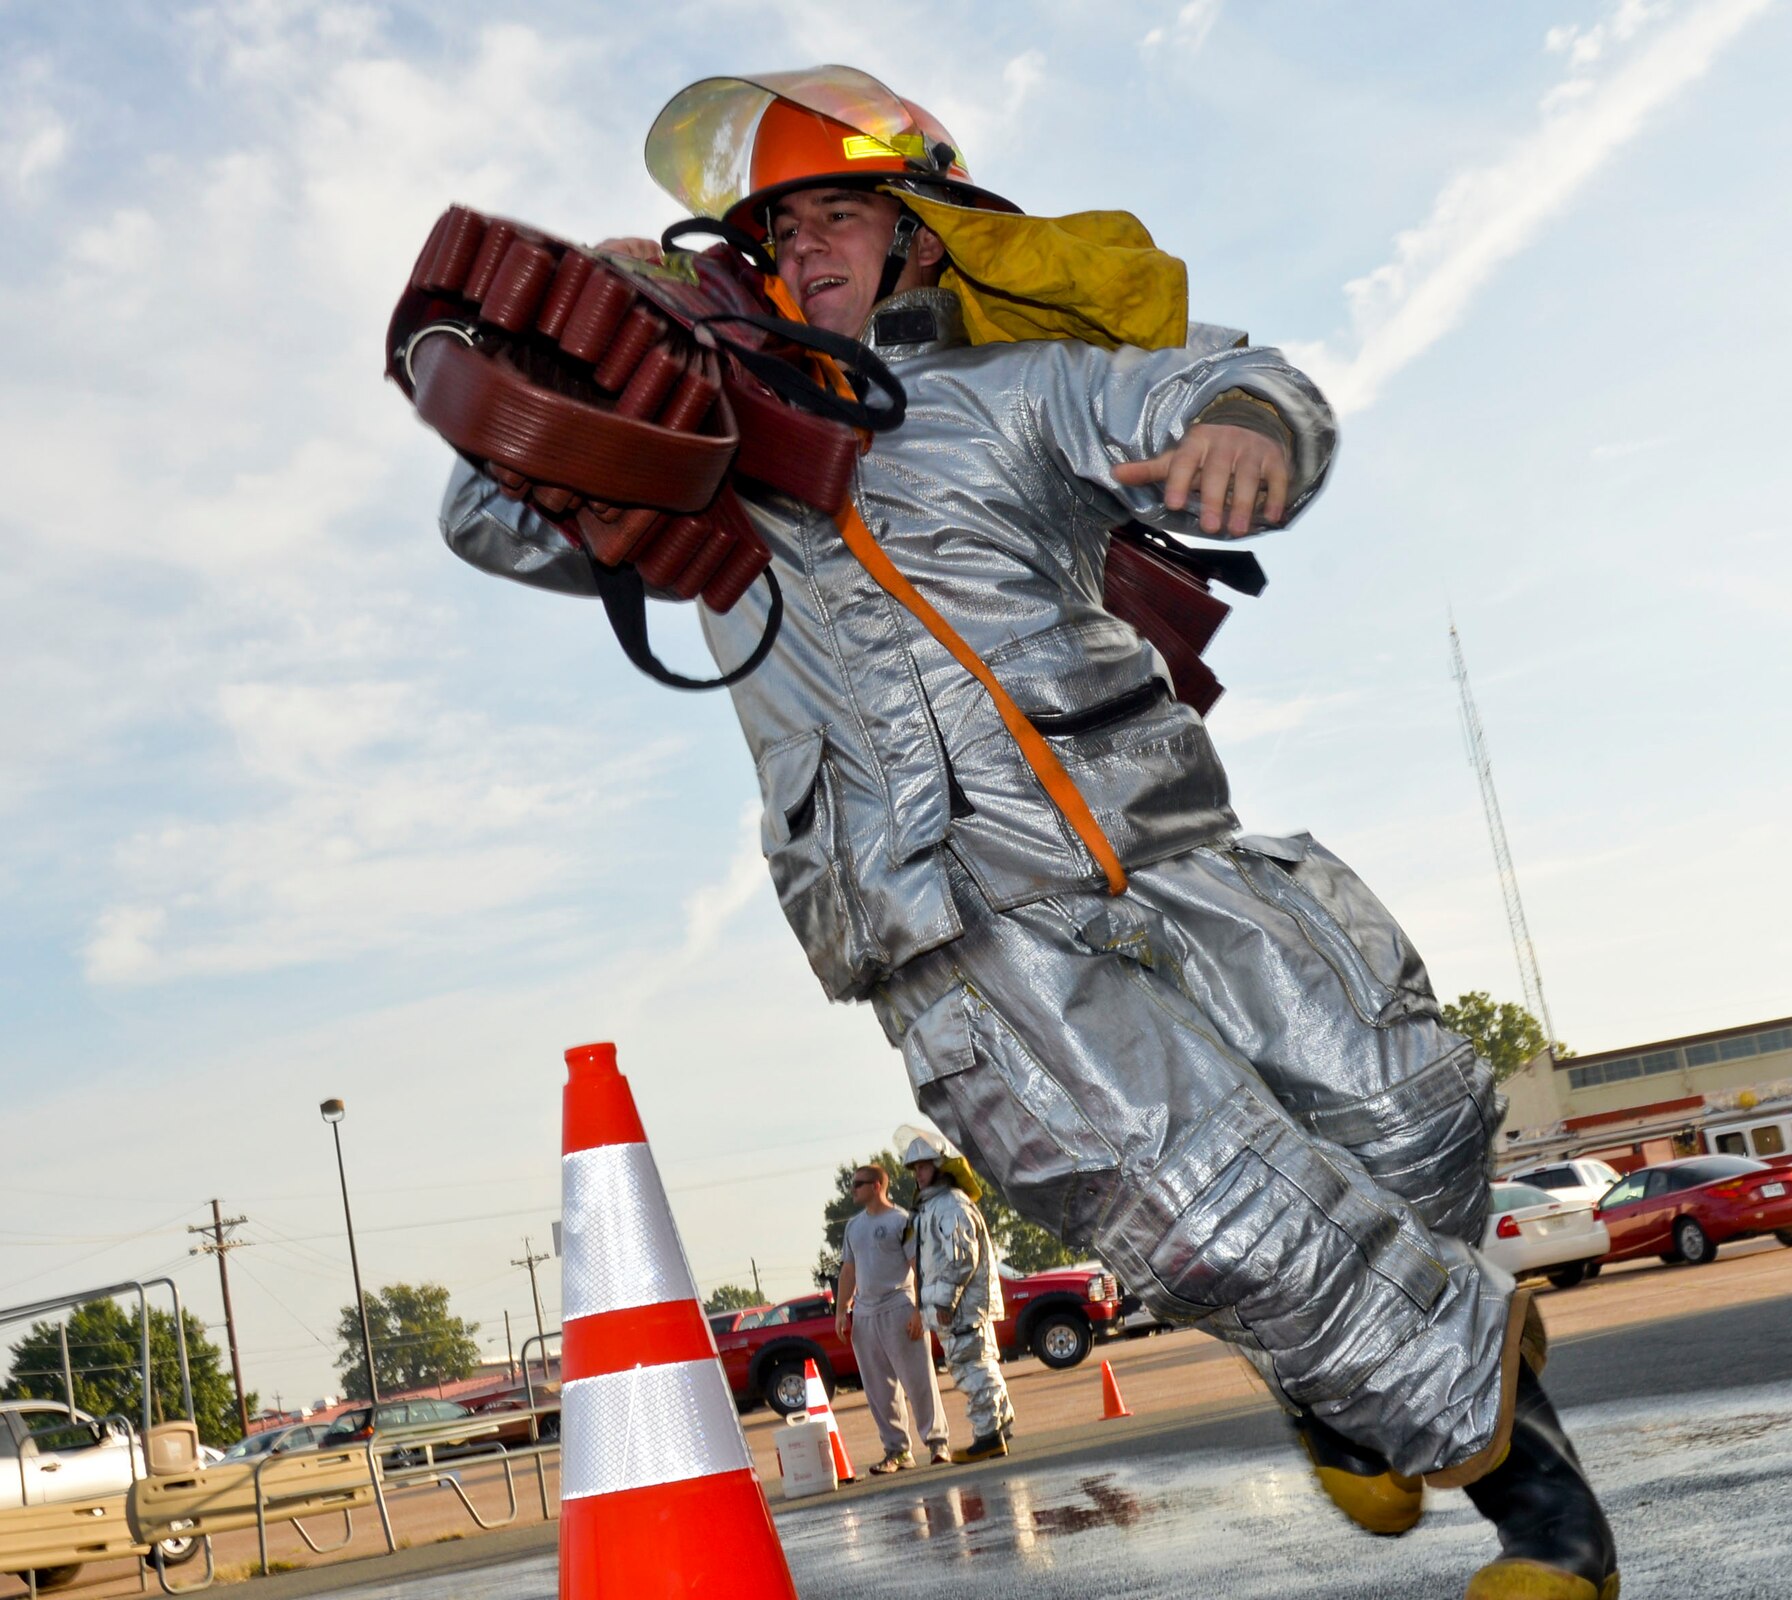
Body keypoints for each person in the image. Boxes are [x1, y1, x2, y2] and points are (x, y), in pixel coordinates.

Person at [440, 67, 1616, 1598]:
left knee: (1413, 1111)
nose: (805, 253)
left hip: (1173, 848)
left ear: (920, 233)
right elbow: (494, 515)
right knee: (1216, 1210)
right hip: (958, 925)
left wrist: (1251, 427)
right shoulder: (699, 462)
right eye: (775, 232)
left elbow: (1220, 383)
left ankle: (1344, 1382)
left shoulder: (1017, 390)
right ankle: (1549, 1522)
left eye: (839, 218)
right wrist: (576, 345)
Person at [899, 1130, 1013, 1462]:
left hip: (961, 1307)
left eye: (923, 1166)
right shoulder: (935, 1206)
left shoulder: (949, 1205)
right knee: (981, 1363)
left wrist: (944, 1302)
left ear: (939, 1166)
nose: (918, 1174)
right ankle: (999, 1428)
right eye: (914, 1168)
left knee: (970, 1367)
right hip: (961, 1306)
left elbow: (961, 1257)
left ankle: (987, 1436)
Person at [834, 1163, 950, 1472]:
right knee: (878, 1389)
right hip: (866, 1313)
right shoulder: (853, 1227)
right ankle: (897, 1450)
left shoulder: (902, 1220)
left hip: (899, 1306)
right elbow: (849, 1270)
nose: (853, 1189)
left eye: (858, 1183)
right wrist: (842, 1310)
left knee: (918, 1380)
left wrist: (918, 1310)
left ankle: (937, 1443)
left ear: (876, 1186)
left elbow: (919, 1267)